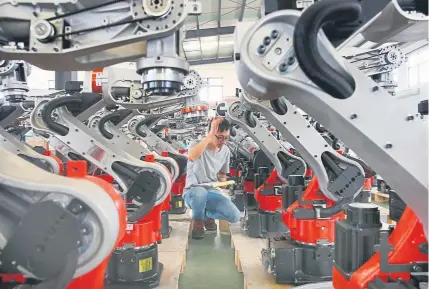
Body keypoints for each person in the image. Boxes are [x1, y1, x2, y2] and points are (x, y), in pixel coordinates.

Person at [184, 117, 241, 239]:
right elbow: (192, 156)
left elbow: (222, 174)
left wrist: (224, 182)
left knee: (235, 216)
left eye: (226, 138)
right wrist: (210, 135)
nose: (223, 141)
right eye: (219, 137)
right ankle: (198, 222)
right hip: (193, 192)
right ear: (210, 133)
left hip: (212, 191)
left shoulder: (225, 151)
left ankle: (206, 215)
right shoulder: (197, 145)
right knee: (200, 193)